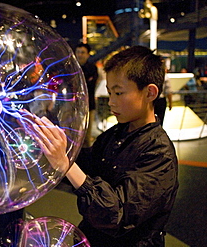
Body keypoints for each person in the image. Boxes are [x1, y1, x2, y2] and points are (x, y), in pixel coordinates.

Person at [27, 46, 179, 246]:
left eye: (119, 93)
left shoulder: (159, 152)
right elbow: (88, 163)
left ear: (150, 93)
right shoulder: (114, 135)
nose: (111, 102)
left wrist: (67, 165)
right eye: (109, 93)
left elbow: (116, 216)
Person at [75, 43, 99, 147]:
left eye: (83, 52)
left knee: (86, 137)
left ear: (88, 54)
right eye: (78, 52)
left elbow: (89, 86)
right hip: (73, 106)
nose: (80, 55)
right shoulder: (72, 67)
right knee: (74, 136)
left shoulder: (92, 68)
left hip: (89, 106)